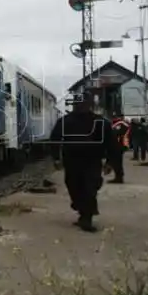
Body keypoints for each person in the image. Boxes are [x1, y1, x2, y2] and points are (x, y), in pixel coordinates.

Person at [49, 95, 120, 232]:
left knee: (90, 187)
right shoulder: (65, 121)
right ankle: (82, 211)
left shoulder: (100, 122)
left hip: (92, 161)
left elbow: (111, 144)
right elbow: (55, 139)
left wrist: (110, 162)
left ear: (90, 105)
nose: (81, 106)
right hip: (71, 161)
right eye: (78, 103)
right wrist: (56, 158)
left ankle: (87, 217)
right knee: (74, 187)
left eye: (84, 103)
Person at [108, 114, 129, 183]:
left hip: (119, 145)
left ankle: (119, 177)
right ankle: (118, 176)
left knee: (117, 162)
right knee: (116, 162)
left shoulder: (121, 124)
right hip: (117, 145)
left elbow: (116, 133)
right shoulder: (116, 124)